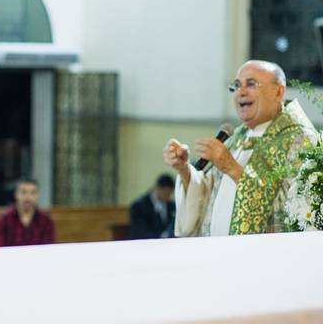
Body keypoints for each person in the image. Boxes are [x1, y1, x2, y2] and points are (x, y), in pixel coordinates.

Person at [164, 60, 318, 236]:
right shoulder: (236, 138)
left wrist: (231, 167)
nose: (241, 92)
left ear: (279, 92)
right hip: (216, 249)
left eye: (251, 84)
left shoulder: (301, 139)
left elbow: (296, 210)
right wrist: (184, 170)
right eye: (237, 85)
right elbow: (207, 195)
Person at [0, 179, 55, 247]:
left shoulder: (46, 221)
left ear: (38, 195)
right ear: (16, 194)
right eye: (23, 192)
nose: (28, 197)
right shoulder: (4, 220)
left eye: (33, 193)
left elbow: (48, 248)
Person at [128, 174, 176, 239]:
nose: (168, 196)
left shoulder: (171, 206)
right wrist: (160, 237)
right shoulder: (139, 206)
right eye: (166, 193)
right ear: (158, 188)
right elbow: (139, 232)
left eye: (170, 193)